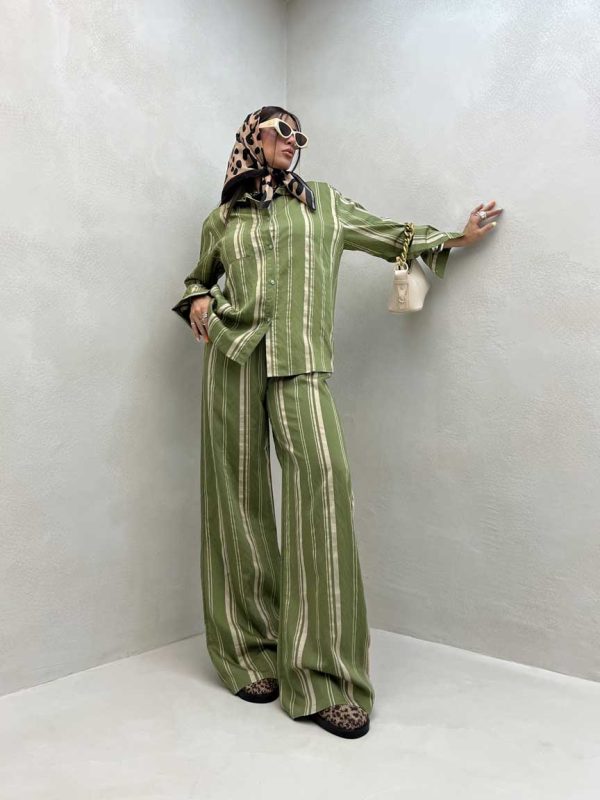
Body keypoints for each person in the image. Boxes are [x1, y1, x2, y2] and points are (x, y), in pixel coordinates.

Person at [172, 105, 503, 739]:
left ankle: (325, 676)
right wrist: (198, 301)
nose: (293, 142)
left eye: (299, 135)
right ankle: (249, 651)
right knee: (237, 499)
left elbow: (387, 233)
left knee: (323, 488)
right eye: (281, 131)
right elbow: (197, 276)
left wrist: (455, 238)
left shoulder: (323, 203)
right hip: (233, 358)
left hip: (301, 362)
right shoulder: (224, 218)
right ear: (252, 138)